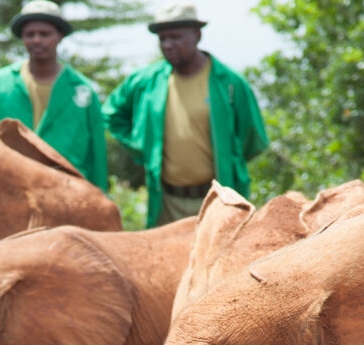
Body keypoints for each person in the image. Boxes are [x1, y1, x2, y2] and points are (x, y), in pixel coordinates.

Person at [102, 2, 268, 226]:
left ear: (197, 35)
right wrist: (142, 147)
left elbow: (252, 137)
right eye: (163, 39)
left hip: (217, 200)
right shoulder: (146, 81)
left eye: (176, 37)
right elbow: (111, 114)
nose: (168, 45)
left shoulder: (229, 83)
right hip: (166, 202)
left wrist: (229, 159)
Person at [0, 1, 108, 189]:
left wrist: (100, 196)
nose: (37, 40)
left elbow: (97, 153)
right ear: (22, 38)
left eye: (44, 34)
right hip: (9, 187)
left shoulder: (82, 89)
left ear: (59, 36)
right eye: (30, 35)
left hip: (68, 189)